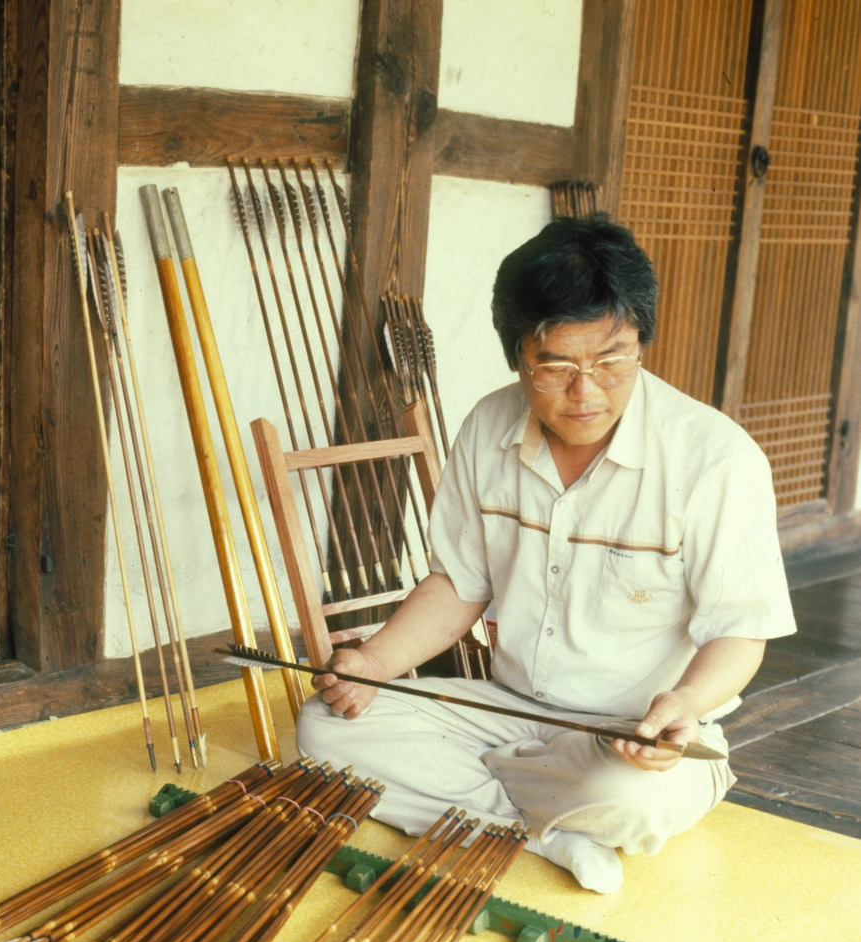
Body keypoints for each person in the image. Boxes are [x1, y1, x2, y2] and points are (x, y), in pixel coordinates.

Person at [295, 213, 796, 894]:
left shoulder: (716, 458)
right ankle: (548, 832)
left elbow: (740, 630)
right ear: (517, 355)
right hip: (505, 704)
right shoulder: (487, 427)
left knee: (633, 799)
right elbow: (458, 583)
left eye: (613, 360)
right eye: (557, 365)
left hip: (632, 731)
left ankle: (499, 809)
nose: (586, 391)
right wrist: (376, 662)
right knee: (325, 728)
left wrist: (682, 702)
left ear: (642, 341)